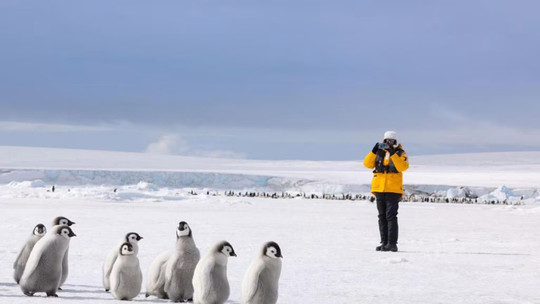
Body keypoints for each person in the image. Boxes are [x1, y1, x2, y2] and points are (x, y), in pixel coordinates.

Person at [363, 131, 409, 252]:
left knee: (391, 216)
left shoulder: (400, 153)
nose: (389, 143)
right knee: (381, 216)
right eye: (387, 141)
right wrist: (373, 151)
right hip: (379, 189)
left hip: (393, 190)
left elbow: (403, 167)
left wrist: (393, 154)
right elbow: (367, 164)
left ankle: (392, 244)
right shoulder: (379, 152)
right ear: (383, 141)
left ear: (395, 142)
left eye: (391, 141)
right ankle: (384, 242)